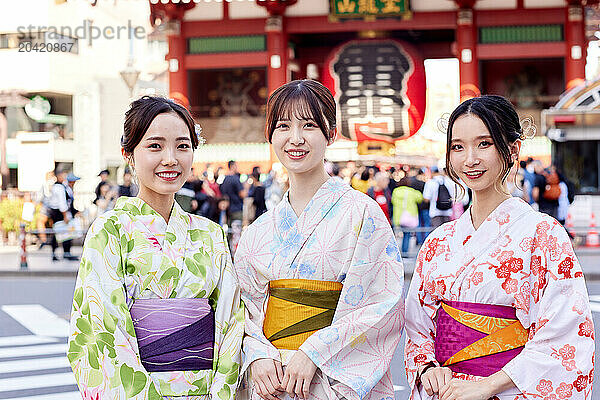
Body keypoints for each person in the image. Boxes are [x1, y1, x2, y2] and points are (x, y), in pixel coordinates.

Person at [404, 95, 594, 400]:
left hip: (507, 391)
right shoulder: (439, 241)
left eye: (484, 143)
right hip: (445, 391)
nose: (469, 159)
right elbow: (417, 325)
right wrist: (427, 368)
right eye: (458, 147)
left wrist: (488, 385)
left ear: (512, 149)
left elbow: (564, 336)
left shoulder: (543, 234)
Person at [234, 80, 404, 400]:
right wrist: (256, 354)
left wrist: (315, 351)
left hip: (332, 379)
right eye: (283, 126)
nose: (295, 139)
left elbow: (383, 303)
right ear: (270, 134)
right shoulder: (259, 230)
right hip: (274, 382)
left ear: (331, 134)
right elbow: (241, 310)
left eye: (309, 125)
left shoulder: (362, 214)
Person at [68, 96, 244, 399]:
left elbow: (232, 323)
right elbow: (102, 330)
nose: (170, 158)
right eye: (155, 145)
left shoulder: (211, 234)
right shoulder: (109, 231)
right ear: (129, 154)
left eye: (182, 145)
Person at [46, 167, 77, 261]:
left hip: (58, 212)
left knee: (62, 234)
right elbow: (62, 203)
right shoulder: (59, 187)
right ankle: (61, 253)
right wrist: (65, 215)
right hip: (59, 213)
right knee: (60, 233)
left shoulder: (62, 186)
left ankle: (65, 253)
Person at [391, 177, 423, 255]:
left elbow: (392, 201)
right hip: (409, 216)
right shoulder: (411, 191)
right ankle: (405, 253)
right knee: (407, 235)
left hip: (398, 217)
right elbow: (420, 198)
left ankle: (395, 253)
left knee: (394, 235)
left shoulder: (395, 191)